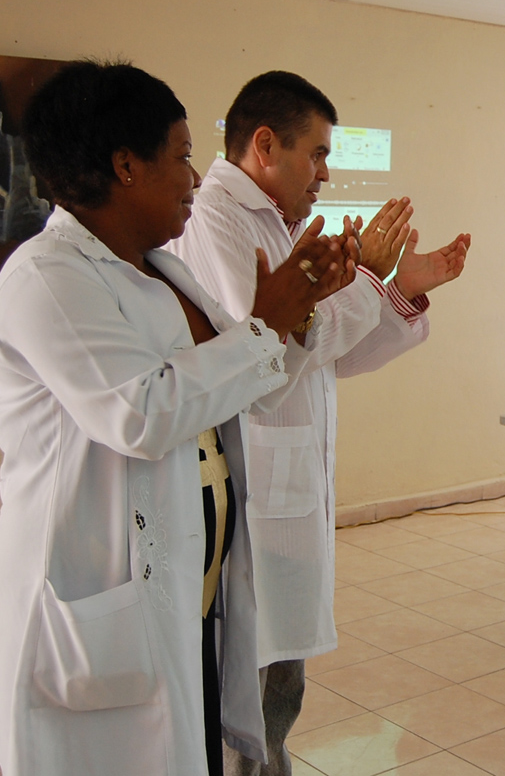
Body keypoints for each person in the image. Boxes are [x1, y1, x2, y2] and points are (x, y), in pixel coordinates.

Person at [0, 61, 354, 776]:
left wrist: (291, 312)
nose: (193, 178)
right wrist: (265, 325)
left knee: (193, 746)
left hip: (186, 586)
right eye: (182, 157)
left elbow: (240, 388)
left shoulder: (159, 270)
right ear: (125, 165)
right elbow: (143, 412)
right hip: (98, 596)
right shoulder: (48, 278)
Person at [166, 70, 470, 776]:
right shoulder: (218, 218)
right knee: (246, 688)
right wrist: (364, 280)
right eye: (319, 154)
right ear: (266, 145)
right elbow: (269, 349)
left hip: (289, 488)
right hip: (250, 488)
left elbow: (326, 355)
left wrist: (399, 287)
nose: (326, 174)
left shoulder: (281, 225)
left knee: (280, 686)